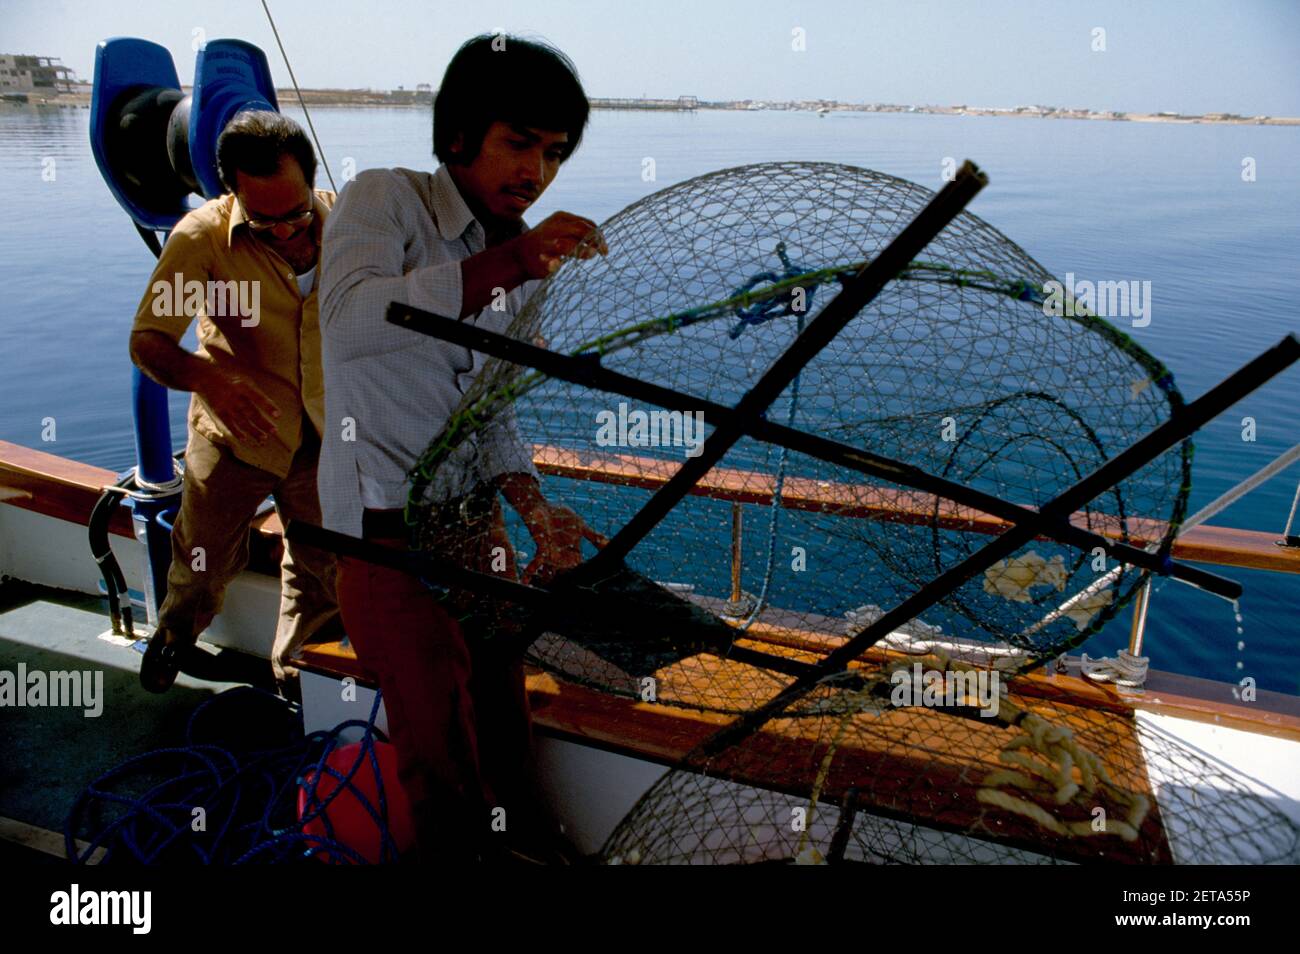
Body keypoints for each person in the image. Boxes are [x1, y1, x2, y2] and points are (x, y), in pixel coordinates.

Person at [318, 33, 607, 861]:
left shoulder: (526, 268)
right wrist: (511, 259)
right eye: (520, 142)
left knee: (503, 719)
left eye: (555, 153)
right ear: (456, 137)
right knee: (438, 754)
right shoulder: (385, 200)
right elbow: (351, 319)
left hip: (477, 536)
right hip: (385, 545)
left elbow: (493, 415)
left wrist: (535, 507)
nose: (538, 173)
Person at [129, 110, 342, 698]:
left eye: (297, 214)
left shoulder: (350, 221)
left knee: (324, 569)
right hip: (233, 438)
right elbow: (147, 343)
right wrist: (210, 381)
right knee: (201, 560)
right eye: (265, 221)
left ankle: (298, 676)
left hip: (320, 435)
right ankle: (174, 634)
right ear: (231, 192)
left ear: (312, 179)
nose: (287, 232)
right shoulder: (200, 238)